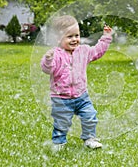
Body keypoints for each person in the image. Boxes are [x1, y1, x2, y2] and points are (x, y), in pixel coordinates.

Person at [40, 15, 113, 149]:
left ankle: (89, 138)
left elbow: (97, 51)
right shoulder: (56, 55)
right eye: (69, 37)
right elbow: (47, 69)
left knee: (90, 116)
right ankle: (59, 142)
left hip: (81, 95)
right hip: (61, 97)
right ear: (58, 39)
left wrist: (106, 38)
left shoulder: (83, 51)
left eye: (77, 35)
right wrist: (48, 60)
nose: (74, 39)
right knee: (61, 122)